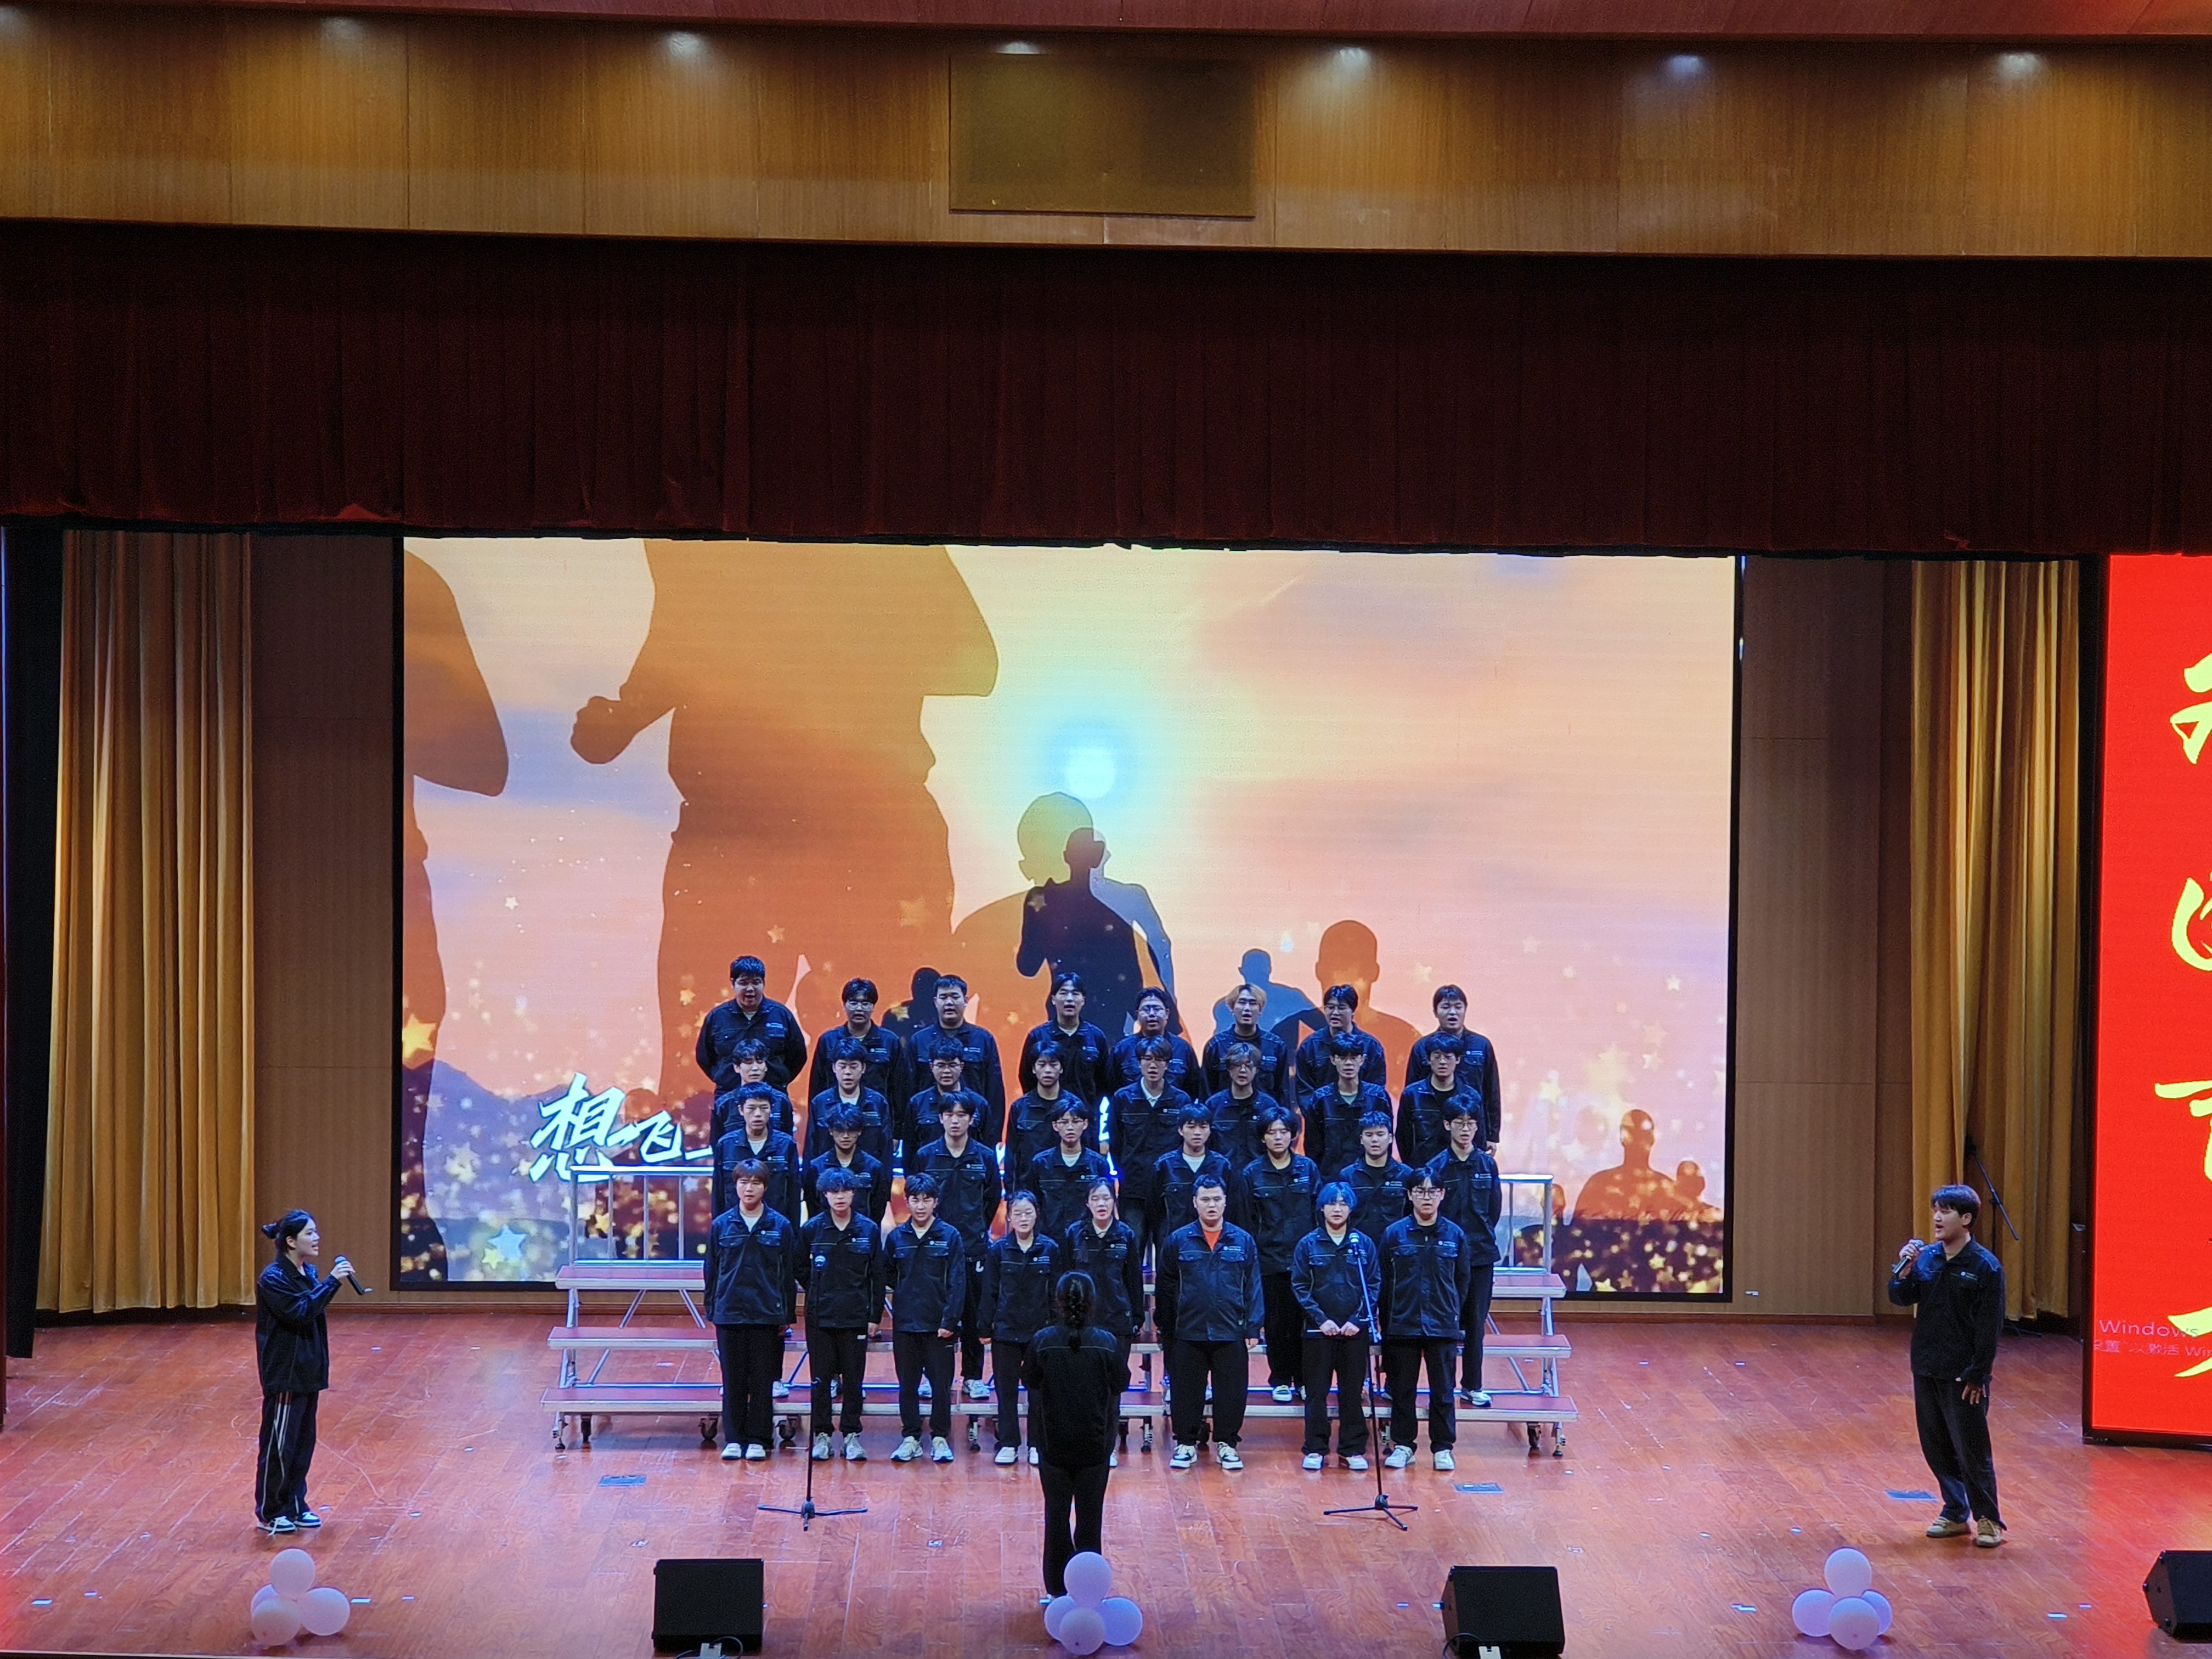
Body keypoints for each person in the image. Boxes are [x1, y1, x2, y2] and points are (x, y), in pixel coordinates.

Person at [1889, 1184, 2007, 1548]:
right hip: (1927, 1366)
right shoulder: (1926, 1258)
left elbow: (1989, 1328)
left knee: (1971, 1448)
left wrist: (1978, 1374)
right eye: (1936, 1210)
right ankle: (1955, 1512)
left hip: (1963, 1374)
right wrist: (1904, 1270)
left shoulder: (1985, 1267)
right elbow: (1900, 1297)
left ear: (1966, 1219)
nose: (1938, 1218)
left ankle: (1988, 1519)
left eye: (1946, 1211)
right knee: (1936, 1445)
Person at [1023, 1273, 1127, 1602]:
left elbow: (1030, 1381)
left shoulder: (1042, 1342)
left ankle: (1057, 1590)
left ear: (1058, 1302)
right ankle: (1089, 1592)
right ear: (1093, 1303)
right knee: (1090, 1521)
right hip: (1095, 1446)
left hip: (1053, 1446)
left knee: (1056, 1518)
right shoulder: (1107, 1343)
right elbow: (1121, 1383)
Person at [253, 1211, 355, 1534]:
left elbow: (312, 1308)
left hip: (308, 1370)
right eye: (309, 1233)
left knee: (302, 1443)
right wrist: (331, 1283)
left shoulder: (307, 1272)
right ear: (290, 1241)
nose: (317, 1238)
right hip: (286, 1374)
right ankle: (271, 1511)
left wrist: (327, 1284)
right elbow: (299, 1312)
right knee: (280, 1446)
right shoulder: (273, 1278)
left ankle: (295, 1505)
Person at [907, 1092, 1005, 1422]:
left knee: (973, 1311)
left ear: (972, 1120)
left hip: (973, 1245)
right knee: (933, 1311)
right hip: (933, 1246)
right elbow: (916, 1192)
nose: (955, 1120)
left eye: (962, 1115)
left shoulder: (985, 1157)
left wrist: (976, 1228)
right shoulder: (926, 1155)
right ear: (941, 1118)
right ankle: (928, 1376)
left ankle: (973, 1376)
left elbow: (992, 1198)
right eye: (950, 1114)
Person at [1156, 1176, 1262, 1471]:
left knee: (1232, 1392)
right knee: (1185, 1391)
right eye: (1205, 1199)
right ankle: (1186, 1444)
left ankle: (1227, 1444)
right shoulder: (1178, 1240)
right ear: (1195, 1203)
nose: (1211, 1205)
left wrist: (1253, 1326)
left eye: (1217, 1199)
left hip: (1230, 1329)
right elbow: (1165, 1289)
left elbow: (1253, 1286)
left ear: (1226, 1201)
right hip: (1187, 1331)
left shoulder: (1243, 1241)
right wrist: (1167, 1328)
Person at [706, 1161, 798, 1463]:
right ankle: (734, 1438)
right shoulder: (721, 1225)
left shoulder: (781, 1226)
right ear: (735, 1186)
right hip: (730, 1312)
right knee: (732, 1380)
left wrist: (787, 1315)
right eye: (744, 1182)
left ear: (765, 1187)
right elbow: (712, 1271)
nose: (749, 1188)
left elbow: (787, 1274)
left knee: (762, 1380)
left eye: (756, 1183)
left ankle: (759, 1438)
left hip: (766, 1313)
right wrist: (713, 1309)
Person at [1380, 1171, 1471, 1472]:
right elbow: (1384, 1281)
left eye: (1433, 1192)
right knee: (1402, 1390)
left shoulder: (1455, 1235)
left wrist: (1451, 1313)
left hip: (1442, 1324)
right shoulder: (1394, 1234)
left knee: (1443, 1391)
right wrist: (1387, 1321)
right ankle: (1404, 1445)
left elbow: (1462, 1282)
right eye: (1420, 1191)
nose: (1427, 1197)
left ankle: (1443, 1447)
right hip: (1403, 1323)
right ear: (1410, 1196)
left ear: (1442, 1195)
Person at [1291, 1183, 1380, 1471]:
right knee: (1316, 1393)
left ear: (1351, 1208)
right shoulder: (1308, 1244)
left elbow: (1373, 1285)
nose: (1337, 1209)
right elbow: (1300, 1286)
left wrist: (1358, 1320)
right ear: (1322, 1208)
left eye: (1343, 1204)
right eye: (1332, 1203)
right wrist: (1321, 1320)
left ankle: (1353, 1449)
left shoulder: (1363, 1244)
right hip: (1319, 1332)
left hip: (1354, 1332)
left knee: (1352, 1392)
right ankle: (1316, 1448)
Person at [797, 1168, 882, 1462]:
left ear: (854, 1193)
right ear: (825, 1195)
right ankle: (822, 1435)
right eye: (834, 1192)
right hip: (820, 1317)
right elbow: (800, 1267)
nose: (840, 1197)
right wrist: (816, 1290)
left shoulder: (868, 1229)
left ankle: (851, 1435)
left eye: (845, 1191)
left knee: (854, 1381)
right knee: (821, 1380)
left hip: (856, 1317)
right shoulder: (812, 1229)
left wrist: (874, 1316)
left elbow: (877, 1276)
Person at [881, 1173, 965, 1464]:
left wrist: (949, 1322)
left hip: (939, 1326)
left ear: (936, 1202)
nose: (920, 1206)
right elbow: (888, 1276)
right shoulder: (896, 1238)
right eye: (915, 1200)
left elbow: (958, 1282)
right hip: (906, 1325)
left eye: (926, 1200)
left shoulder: (950, 1236)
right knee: (908, 1385)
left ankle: (940, 1437)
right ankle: (911, 1438)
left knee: (941, 1386)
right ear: (907, 1202)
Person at [1238, 1107, 1319, 1403]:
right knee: (1276, 1324)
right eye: (1272, 1132)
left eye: (1284, 1131)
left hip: (1305, 1261)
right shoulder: (1252, 1173)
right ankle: (1281, 1379)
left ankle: (1305, 1379)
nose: (1278, 1137)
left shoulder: (1308, 1169)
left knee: (1305, 1322)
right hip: (1269, 1260)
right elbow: (1247, 1220)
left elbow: (1318, 1213)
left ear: (1293, 1135)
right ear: (1263, 1138)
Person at [1425, 1102, 1502, 1406]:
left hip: (1481, 1254)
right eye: (1459, 1123)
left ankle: (1472, 1385)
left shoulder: (1487, 1165)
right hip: (1445, 1258)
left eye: (1471, 1123)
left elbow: (1494, 1209)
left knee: (1475, 1324)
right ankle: (1442, 1388)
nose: (1466, 1129)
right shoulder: (1436, 1167)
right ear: (1447, 1126)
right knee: (1444, 1324)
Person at [981, 1193, 1061, 1464]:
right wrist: (985, 1327)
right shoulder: (998, 1251)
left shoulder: (1050, 1249)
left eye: (1028, 1213)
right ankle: (1009, 1443)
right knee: (1006, 1392)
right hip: (1006, 1331)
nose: (1023, 1218)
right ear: (1009, 1218)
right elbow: (990, 1292)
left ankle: (1037, 1444)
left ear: (1037, 1215)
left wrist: (1056, 1329)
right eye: (1018, 1213)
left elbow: (1055, 1294)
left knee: (1039, 1392)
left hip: (1040, 1333)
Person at [1105, 1035, 1192, 1268]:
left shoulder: (1181, 1100)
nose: (1153, 1065)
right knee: (1131, 1254)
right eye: (1147, 1059)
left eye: (1159, 1060)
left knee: (1169, 1256)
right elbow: (1115, 1142)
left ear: (1168, 1064)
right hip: (1134, 1189)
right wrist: (1124, 1172)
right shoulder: (1123, 1098)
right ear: (1139, 1063)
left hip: (1170, 1190)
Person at [1062, 1178, 1147, 1405]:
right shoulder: (1074, 1234)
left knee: (1113, 1389)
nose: (1102, 1203)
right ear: (1087, 1203)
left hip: (1117, 1321)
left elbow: (1134, 1280)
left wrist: (1137, 1317)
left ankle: (1110, 1428)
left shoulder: (1126, 1235)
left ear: (1114, 1201)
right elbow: (1065, 1279)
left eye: (1106, 1198)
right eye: (1096, 1199)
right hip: (1082, 1321)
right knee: (1082, 1388)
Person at [906, 973, 1008, 1147]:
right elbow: (909, 1088)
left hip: (974, 1126)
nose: (949, 1003)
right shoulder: (919, 1041)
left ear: (966, 1000)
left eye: (955, 997)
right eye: (943, 997)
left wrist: (994, 1135)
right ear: (935, 1002)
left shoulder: (983, 1039)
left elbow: (995, 1090)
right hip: (928, 1126)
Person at [1406, 986, 1502, 1153]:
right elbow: (1411, 1094)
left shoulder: (1482, 1045)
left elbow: (1491, 1092)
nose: (1452, 1012)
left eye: (1458, 1007)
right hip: (1431, 1129)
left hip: (1470, 1128)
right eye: (1446, 1007)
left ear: (1465, 1009)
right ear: (1435, 1012)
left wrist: (1492, 1135)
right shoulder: (1422, 1047)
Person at [696, 956, 808, 1097]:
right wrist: (726, 1079)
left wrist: (778, 1079)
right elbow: (705, 1057)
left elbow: (798, 1056)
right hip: (729, 1096)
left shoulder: (781, 1015)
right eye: (743, 983)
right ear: (733, 984)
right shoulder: (717, 1017)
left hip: (773, 1096)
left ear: (764, 984)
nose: (750, 989)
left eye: (756, 982)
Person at [806, 993, 904, 1152]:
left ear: (873, 1007)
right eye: (853, 1003)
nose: (859, 1008)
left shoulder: (890, 1041)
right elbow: (817, 1086)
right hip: (834, 1126)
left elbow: (899, 1090)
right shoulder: (828, 1040)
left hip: (874, 1121)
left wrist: (896, 1133)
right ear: (845, 1005)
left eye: (865, 1003)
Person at [713, 1085, 802, 1235]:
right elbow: (718, 1193)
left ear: (771, 1109)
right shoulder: (726, 1145)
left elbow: (793, 1194)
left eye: (764, 1108)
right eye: (751, 1108)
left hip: (775, 1230)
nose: (758, 1114)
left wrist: (793, 1235)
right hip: (734, 1230)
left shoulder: (786, 1145)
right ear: (741, 1110)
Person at [1019, 973, 1114, 1110]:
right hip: (1046, 1115)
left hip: (1085, 1117)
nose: (1069, 999)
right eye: (1063, 993)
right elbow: (1027, 1077)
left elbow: (1104, 1082)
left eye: (1075, 994)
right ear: (1053, 1000)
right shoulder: (1038, 1036)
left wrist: (1090, 1109)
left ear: (1083, 1001)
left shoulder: (1096, 1037)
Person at [1308, 1033, 1395, 1183]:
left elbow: (1387, 1140)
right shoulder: (1321, 1099)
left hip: (1370, 1177)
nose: (1348, 1063)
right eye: (1342, 1058)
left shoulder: (1378, 1097)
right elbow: (1313, 1145)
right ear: (1333, 1060)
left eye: (1354, 1058)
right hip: (1331, 1177)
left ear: (1362, 1060)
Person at [1027, 1102, 1116, 1243]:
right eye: (1064, 1122)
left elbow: (1108, 1203)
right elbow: (1033, 1202)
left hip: (1087, 1240)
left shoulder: (1098, 1164)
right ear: (1055, 1126)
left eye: (1076, 1122)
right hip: (1049, 1239)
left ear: (1085, 1124)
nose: (1070, 1127)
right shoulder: (1041, 1163)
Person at [1203, 1040, 1294, 1174]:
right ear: (1228, 1068)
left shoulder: (1268, 1106)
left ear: (1257, 1069)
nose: (1243, 1070)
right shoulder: (1213, 1106)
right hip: (1222, 1176)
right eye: (1237, 1065)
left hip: (1261, 1177)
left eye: (1249, 1065)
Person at [1290, 984, 1387, 1110]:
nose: (1335, 1013)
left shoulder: (1371, 1047)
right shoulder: (1310, 1047)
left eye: (1341, 1008)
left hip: (1361, 1117)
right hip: (1322, 1118)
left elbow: (1376, 1089)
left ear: (1353, 1011)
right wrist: (1319, 1116)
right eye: (1330, 1007)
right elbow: (1305, 1091)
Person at [805, 1035, 895, 1166]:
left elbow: (886, 1151)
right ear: (834, 1068)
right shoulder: (820, 1103)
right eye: (842, 1066)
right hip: (829, 1175)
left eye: (853, 1066)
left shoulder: (878, 1103)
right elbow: (811, 1149)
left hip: (867, 1174)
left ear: (863, 1068)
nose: (848, 1072)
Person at [1396, 1034, 1483, 1170]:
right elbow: (1403, 1137)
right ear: (1428, 1060)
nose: (1442, 1062)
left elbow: (1479, 1138)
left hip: (1460, 1170)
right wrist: (1414, 1169)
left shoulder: (1471, 1096)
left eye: (1448, 1057)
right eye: (1437, 1057)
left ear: (1458, 1059)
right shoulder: (1412, 1095)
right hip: (1423, 1171)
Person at [1007, 1040, 1091, 1179]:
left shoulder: (1075, 1105)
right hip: (1028, 1184)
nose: (1047, 1070)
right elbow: (1012, 1154)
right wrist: (1012, 1189)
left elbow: (1087, 1150)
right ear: (1034, 1069)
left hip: (1065, 1183)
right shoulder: (1019, 1108)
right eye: (1042, 1064)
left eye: (1053, 1064)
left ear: (1061, 1068)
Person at [1152, 1103, 1234, 1244]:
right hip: (1173, 1243)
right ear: (1180, 1130)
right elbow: (1154, 1212)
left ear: (1210, 1130)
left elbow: (1232, 1209)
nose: (1197, 1132)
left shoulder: (1222, 1166)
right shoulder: (1164, 1166)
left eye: (1203, 1127)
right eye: (1191, 1127)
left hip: (1214, 1243)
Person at [1201, 984, 1293, 1105]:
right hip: (1225, 1115)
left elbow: (1283, 1092)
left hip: (1265, 1114)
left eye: (1253, 1003)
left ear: (1260, 1009)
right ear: (1232, 1007)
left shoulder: (1276, 1046)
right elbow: (1206, 1092)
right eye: (1242, 1002)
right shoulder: (1216, 1046)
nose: (1247, 1009)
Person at [804, 1103, 893, 1225]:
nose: (846, 1136)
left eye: (851, 1130)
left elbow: (878, 1210)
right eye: (840, 1130)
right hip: (825, 1232)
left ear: (860, 1131)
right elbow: (813, 1206)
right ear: (830, 1130)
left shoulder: (874, 1167)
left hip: (862, 1232)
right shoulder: (816, 1167)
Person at [1108, 988, 1202, 1096]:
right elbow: (1111, 1090)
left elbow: (1194, 1090)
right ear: (1138, 1015)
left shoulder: (1183, 1049)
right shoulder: (1122, 1049)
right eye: (1146, 1010)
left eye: (1157, 1009)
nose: (1152, 1014)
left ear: (1167, 1013)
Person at [904, 1048, 992, 1163]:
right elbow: (909, 1151)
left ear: (961, 1067)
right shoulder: (917, 1103)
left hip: (970, 1169)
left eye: (952, 1065)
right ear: (931, 1067)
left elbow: (987, 1148)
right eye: (941, 1065)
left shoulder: (979, 1104)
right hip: (929, 1170)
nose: (946, 1071)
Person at [1341, 1110, 1414, 1250]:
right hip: (1359, 1248)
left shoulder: (1406, 1174)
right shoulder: (1348, 1176)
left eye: (1380, 1134)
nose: (1375, 1140)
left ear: (1391, 1138)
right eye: (1369, 1135)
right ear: (1361, 1139)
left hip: (1397, 1247)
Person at [711, 1037, 797, 1145]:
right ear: (737, 1067)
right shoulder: (724, 1104)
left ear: (766, 1067)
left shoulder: (781, 1101)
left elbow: (788, 1143)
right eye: (749, 1063)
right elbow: (717, 1145)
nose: (755, 1068)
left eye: (760, 1062)